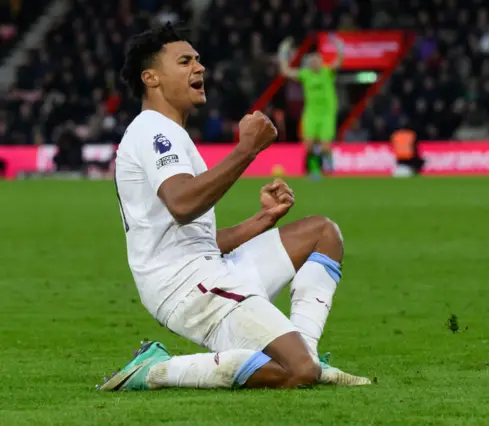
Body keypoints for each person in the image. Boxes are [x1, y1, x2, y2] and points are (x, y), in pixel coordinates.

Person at [98, 23, 370, 392]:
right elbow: (182, 205)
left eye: (198, 59)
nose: (199, 67)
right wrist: (247, 150)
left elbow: (198, 239)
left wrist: (264, 220)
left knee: (322, 233)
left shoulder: (172, 134)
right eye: (184, 61)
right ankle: (156, 369)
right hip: (187, 289)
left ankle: (305, 350)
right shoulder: (154, 132)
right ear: (152, 78)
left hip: (211, 269)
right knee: (297, 373)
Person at [278, 34, 344, 179]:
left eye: (317, 60)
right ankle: (314, 171)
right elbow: (285, 71)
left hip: (327, 113)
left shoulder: (327, 72)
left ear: (321, 61)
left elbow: (338, 62)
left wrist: (338, 46)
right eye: (312, 61)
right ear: (309, 63)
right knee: (308, 145)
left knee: (325, 146)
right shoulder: (306, 74)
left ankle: (328, 168)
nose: (315, 63)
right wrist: (283, 52)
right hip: (311, 113)